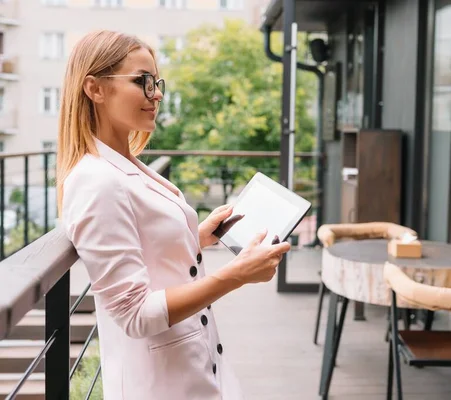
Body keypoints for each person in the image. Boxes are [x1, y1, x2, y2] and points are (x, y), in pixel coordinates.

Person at [57, 30, 291, 400]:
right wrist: (237, 275)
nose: (157, 94)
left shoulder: (123, 164)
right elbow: (134, 314)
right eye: (143, 82)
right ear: (95, 89)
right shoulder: (95, 181)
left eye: (157, 82)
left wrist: (196, 236)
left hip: (196, 365)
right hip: (162, 384)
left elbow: (138, 244)